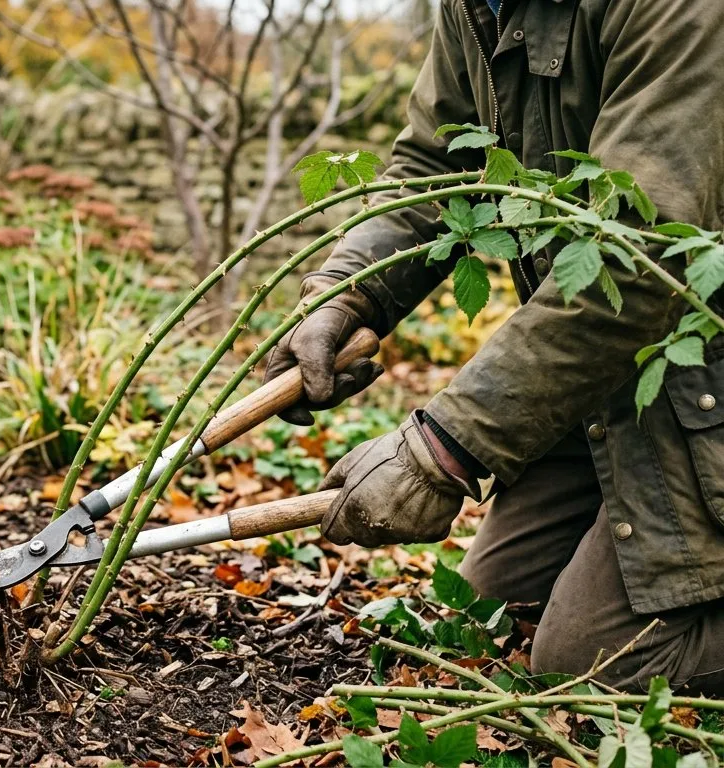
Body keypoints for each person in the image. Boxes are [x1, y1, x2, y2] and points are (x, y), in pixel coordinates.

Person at [262, 0, 724, 693]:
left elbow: (634, 252)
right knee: (486, 610)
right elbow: (434, 167)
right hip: (606, 374)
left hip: (695, 359)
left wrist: (445, 447)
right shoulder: (478, 7)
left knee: (595, 665)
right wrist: (347, 293)